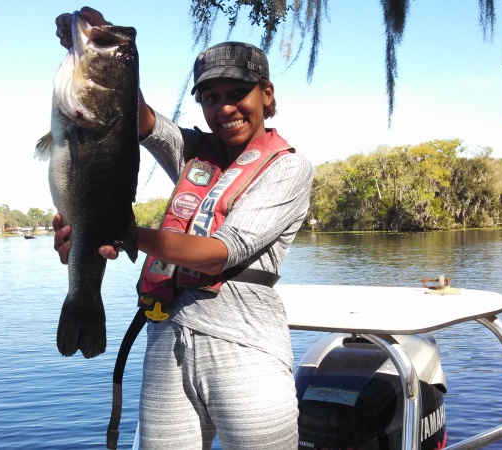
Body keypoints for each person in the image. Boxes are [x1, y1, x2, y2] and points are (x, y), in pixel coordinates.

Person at [54, 7, 314, 450]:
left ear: (266, 95)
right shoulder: (193, 151)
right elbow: (133, 117)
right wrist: (92, 44)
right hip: (166, 342)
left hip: (246, 350)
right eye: (210, 97)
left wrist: (119, 231)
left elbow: (220, 251)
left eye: (238, 92)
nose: (224, 107)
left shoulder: (289, 168)